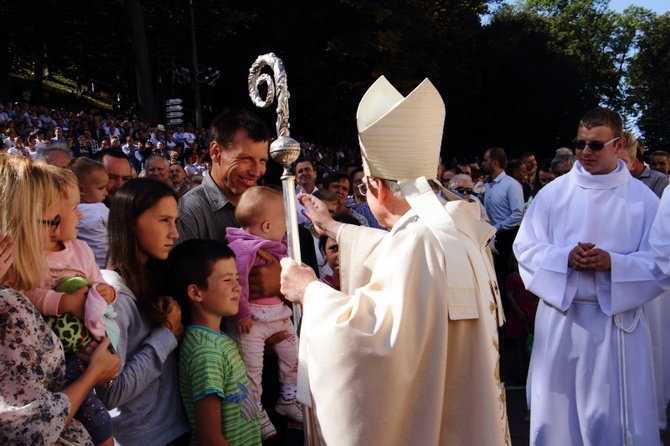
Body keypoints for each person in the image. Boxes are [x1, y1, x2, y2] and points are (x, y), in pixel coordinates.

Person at [280, 76, 509, 445]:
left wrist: (309, 292)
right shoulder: (458, 226)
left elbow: (370, 341)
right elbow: (402, 261)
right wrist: (335, 228)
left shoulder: (418, 241)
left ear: (376, 187)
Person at [513, 107, 664, 445]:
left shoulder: (643, 200)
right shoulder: (553, 194)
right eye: (580, 144)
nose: (584, 152)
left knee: (608, 418)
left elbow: (660, 263)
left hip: (616, 324)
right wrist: (564, 258)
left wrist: (614, 263)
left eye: (595, 145)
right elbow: (525, 249)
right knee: (556, 417)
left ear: (618, 144)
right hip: (562, 319)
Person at [0, 155, 120, 445]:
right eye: (49, 221)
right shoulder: (9, 304)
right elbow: (29, 431)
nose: (54, 233)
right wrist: (93, 374)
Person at [97, 178, 190, 445]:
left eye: (175, 221)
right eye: (164, 220)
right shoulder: (112, 296)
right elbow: (110, 392)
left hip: (172, 428)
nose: (175, 233)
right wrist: (166, 336)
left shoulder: (152, 279)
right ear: (130, 222)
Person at [224, 186, 301, 440]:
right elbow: (239, 282)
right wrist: (241, 313)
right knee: (252, 369)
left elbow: (288, 252)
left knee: (294, 354)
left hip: (277, 314)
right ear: (267, 226)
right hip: (253, 320)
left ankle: (289, 396)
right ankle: (254, 410)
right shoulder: (243, 248)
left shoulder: (273, 242)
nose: (287, 228)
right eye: (284, 222)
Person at [169, 239, 262, 446]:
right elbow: (210, 438)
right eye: (227, 280)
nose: (238, 288)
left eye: (237, 278)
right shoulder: (205, 352)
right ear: (195, 292)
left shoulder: (217, 339)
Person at [70, 157, 110, 268]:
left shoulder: (69, 212)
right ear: (81, 190)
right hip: (107, 264)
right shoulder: (99, 209)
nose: (106, 193)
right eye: (101, 188)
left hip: (84, 266)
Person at [618, 131, 668, 198]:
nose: (617, 166)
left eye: (623, 162)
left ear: (634, 164)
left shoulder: (658, 179)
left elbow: (658, 206)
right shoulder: (619, 180)